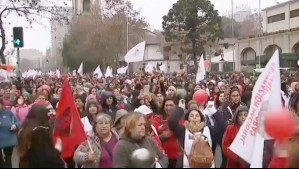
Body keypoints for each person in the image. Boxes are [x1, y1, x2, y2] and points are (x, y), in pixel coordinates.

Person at [0, 98, 20, 168]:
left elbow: (17, 122)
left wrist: (15, 125)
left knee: (8, 160)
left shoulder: (8, 112)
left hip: (9, 141)